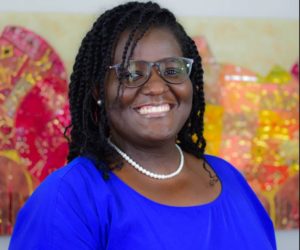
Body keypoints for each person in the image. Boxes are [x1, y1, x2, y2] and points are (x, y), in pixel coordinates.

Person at [9, 2, 276, 249]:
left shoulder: (228, 179)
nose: (157, 87)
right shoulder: (69, 198)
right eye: (132, 74)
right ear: (97, 90)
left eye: (172, 70)